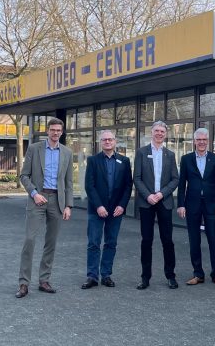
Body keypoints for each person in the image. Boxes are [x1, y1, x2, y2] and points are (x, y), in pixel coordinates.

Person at [16, 118, 74, 298]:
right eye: (52, 130)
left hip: (57, 201)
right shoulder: (35, 149)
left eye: (58, 130)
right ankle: (24, 283)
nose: (55, 133)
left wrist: (68, 206)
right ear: (47, 131)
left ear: (62, 132)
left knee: (51, 242)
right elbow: (24, 175)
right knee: (29, 240)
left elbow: (69, 182)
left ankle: (44, 280)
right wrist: (34, 193)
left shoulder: (67, 152)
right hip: (37, 198)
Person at [81, 130, 133, 289]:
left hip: (116, 210)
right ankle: (92, 276)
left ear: (115, 141)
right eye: (104, 140)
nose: (108, 142)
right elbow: (89, 186)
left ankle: (106, 275)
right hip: (97, 210)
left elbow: (128, 186)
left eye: (110, 139)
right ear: (100, 142)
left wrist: (122, 206)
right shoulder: (93, 160)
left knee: (111, 243)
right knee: (93, 243)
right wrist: (99, 206)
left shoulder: (124, 161)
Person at [134, 120, 180, 289]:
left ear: (165, 134)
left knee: (167, 240)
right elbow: (137, 178)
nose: (159, 133)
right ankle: (145, 277)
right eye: (157, 131)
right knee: (146, 240)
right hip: (147, 203)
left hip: (164, 202)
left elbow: (175, 178)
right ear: (151, 132)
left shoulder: (170, 154)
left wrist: (161, 194)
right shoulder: (141, 152)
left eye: (162, 131)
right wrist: (148, 196)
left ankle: (170, 275)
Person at [177, 128, 215, 286]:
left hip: (211, 205)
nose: (202, 142)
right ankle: (198, 274)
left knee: (213, 239)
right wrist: (181, 204)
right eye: (199, 140)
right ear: (194, 141)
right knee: (194, 240)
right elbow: (182, 183)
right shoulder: (186, 159)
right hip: (192, 204)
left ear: (208, 141)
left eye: (204, 139)